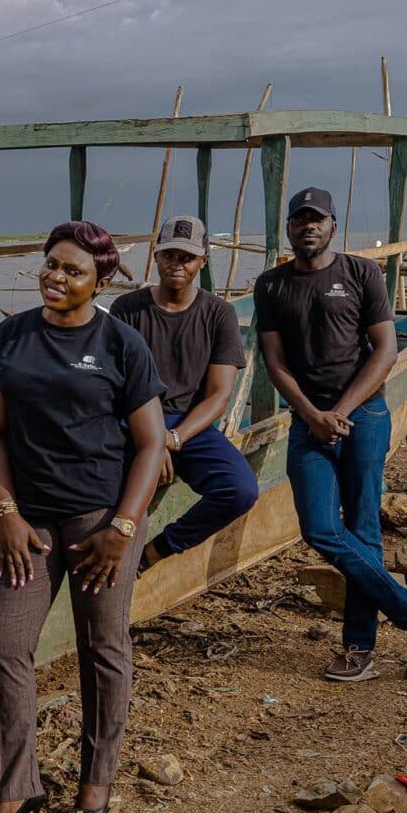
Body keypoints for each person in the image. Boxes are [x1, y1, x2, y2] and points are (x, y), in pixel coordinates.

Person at [0, 220, 167, 813]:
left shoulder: (121, 344)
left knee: (102, 644)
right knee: (3, 640)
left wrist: (123, 528)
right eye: (51, 264)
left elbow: (150, 444)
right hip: (30, 520)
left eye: (72, 270)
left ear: (100, 282)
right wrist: (6, 512)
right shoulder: (12, 335)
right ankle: (18, 785)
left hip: (100, 519)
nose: (55, 277)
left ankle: (97, 777)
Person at [255, 187, 407, 684]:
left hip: (364, 416)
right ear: (288, 228)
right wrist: (311, 414)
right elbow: (273, 360)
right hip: (307, 421)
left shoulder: (361, 274)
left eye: (317, 219)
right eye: (299, 219)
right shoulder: (272, 284)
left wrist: (338, 412)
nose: (308, 226)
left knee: (363, 529)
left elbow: (386, 351)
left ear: (333, 226)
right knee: (319, 528)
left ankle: (359, 648)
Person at [109, 214, 258, 570]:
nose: (177, 264)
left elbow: (219, 395)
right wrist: (151, 440)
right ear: (156, 257)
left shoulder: (218, 314)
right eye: (169, 255)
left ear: (202, 260)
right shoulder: (127, 310)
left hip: (188, 426)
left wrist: (171, 440)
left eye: (187, 257)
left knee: (240, 490)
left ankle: (155, 552)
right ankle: (106, 550)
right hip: (133, 419)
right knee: (103, 487)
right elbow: (115, 387)